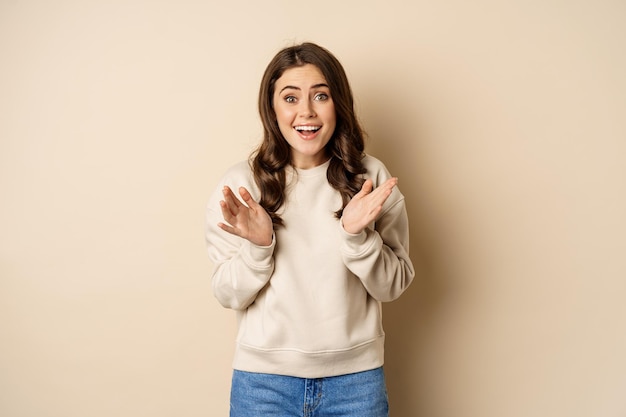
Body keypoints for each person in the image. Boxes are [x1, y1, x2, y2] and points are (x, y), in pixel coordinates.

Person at [205, 42, 415, 417]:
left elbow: (392, 285)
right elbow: (227, 294)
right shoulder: (242, 185)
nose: (306, 112)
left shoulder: (369, 179)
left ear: (339, 105)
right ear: (271, 108)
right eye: (290, 98)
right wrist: (259, 247)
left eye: (321, 95)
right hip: (263, 385)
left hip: (356, 383)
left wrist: (359, 237)